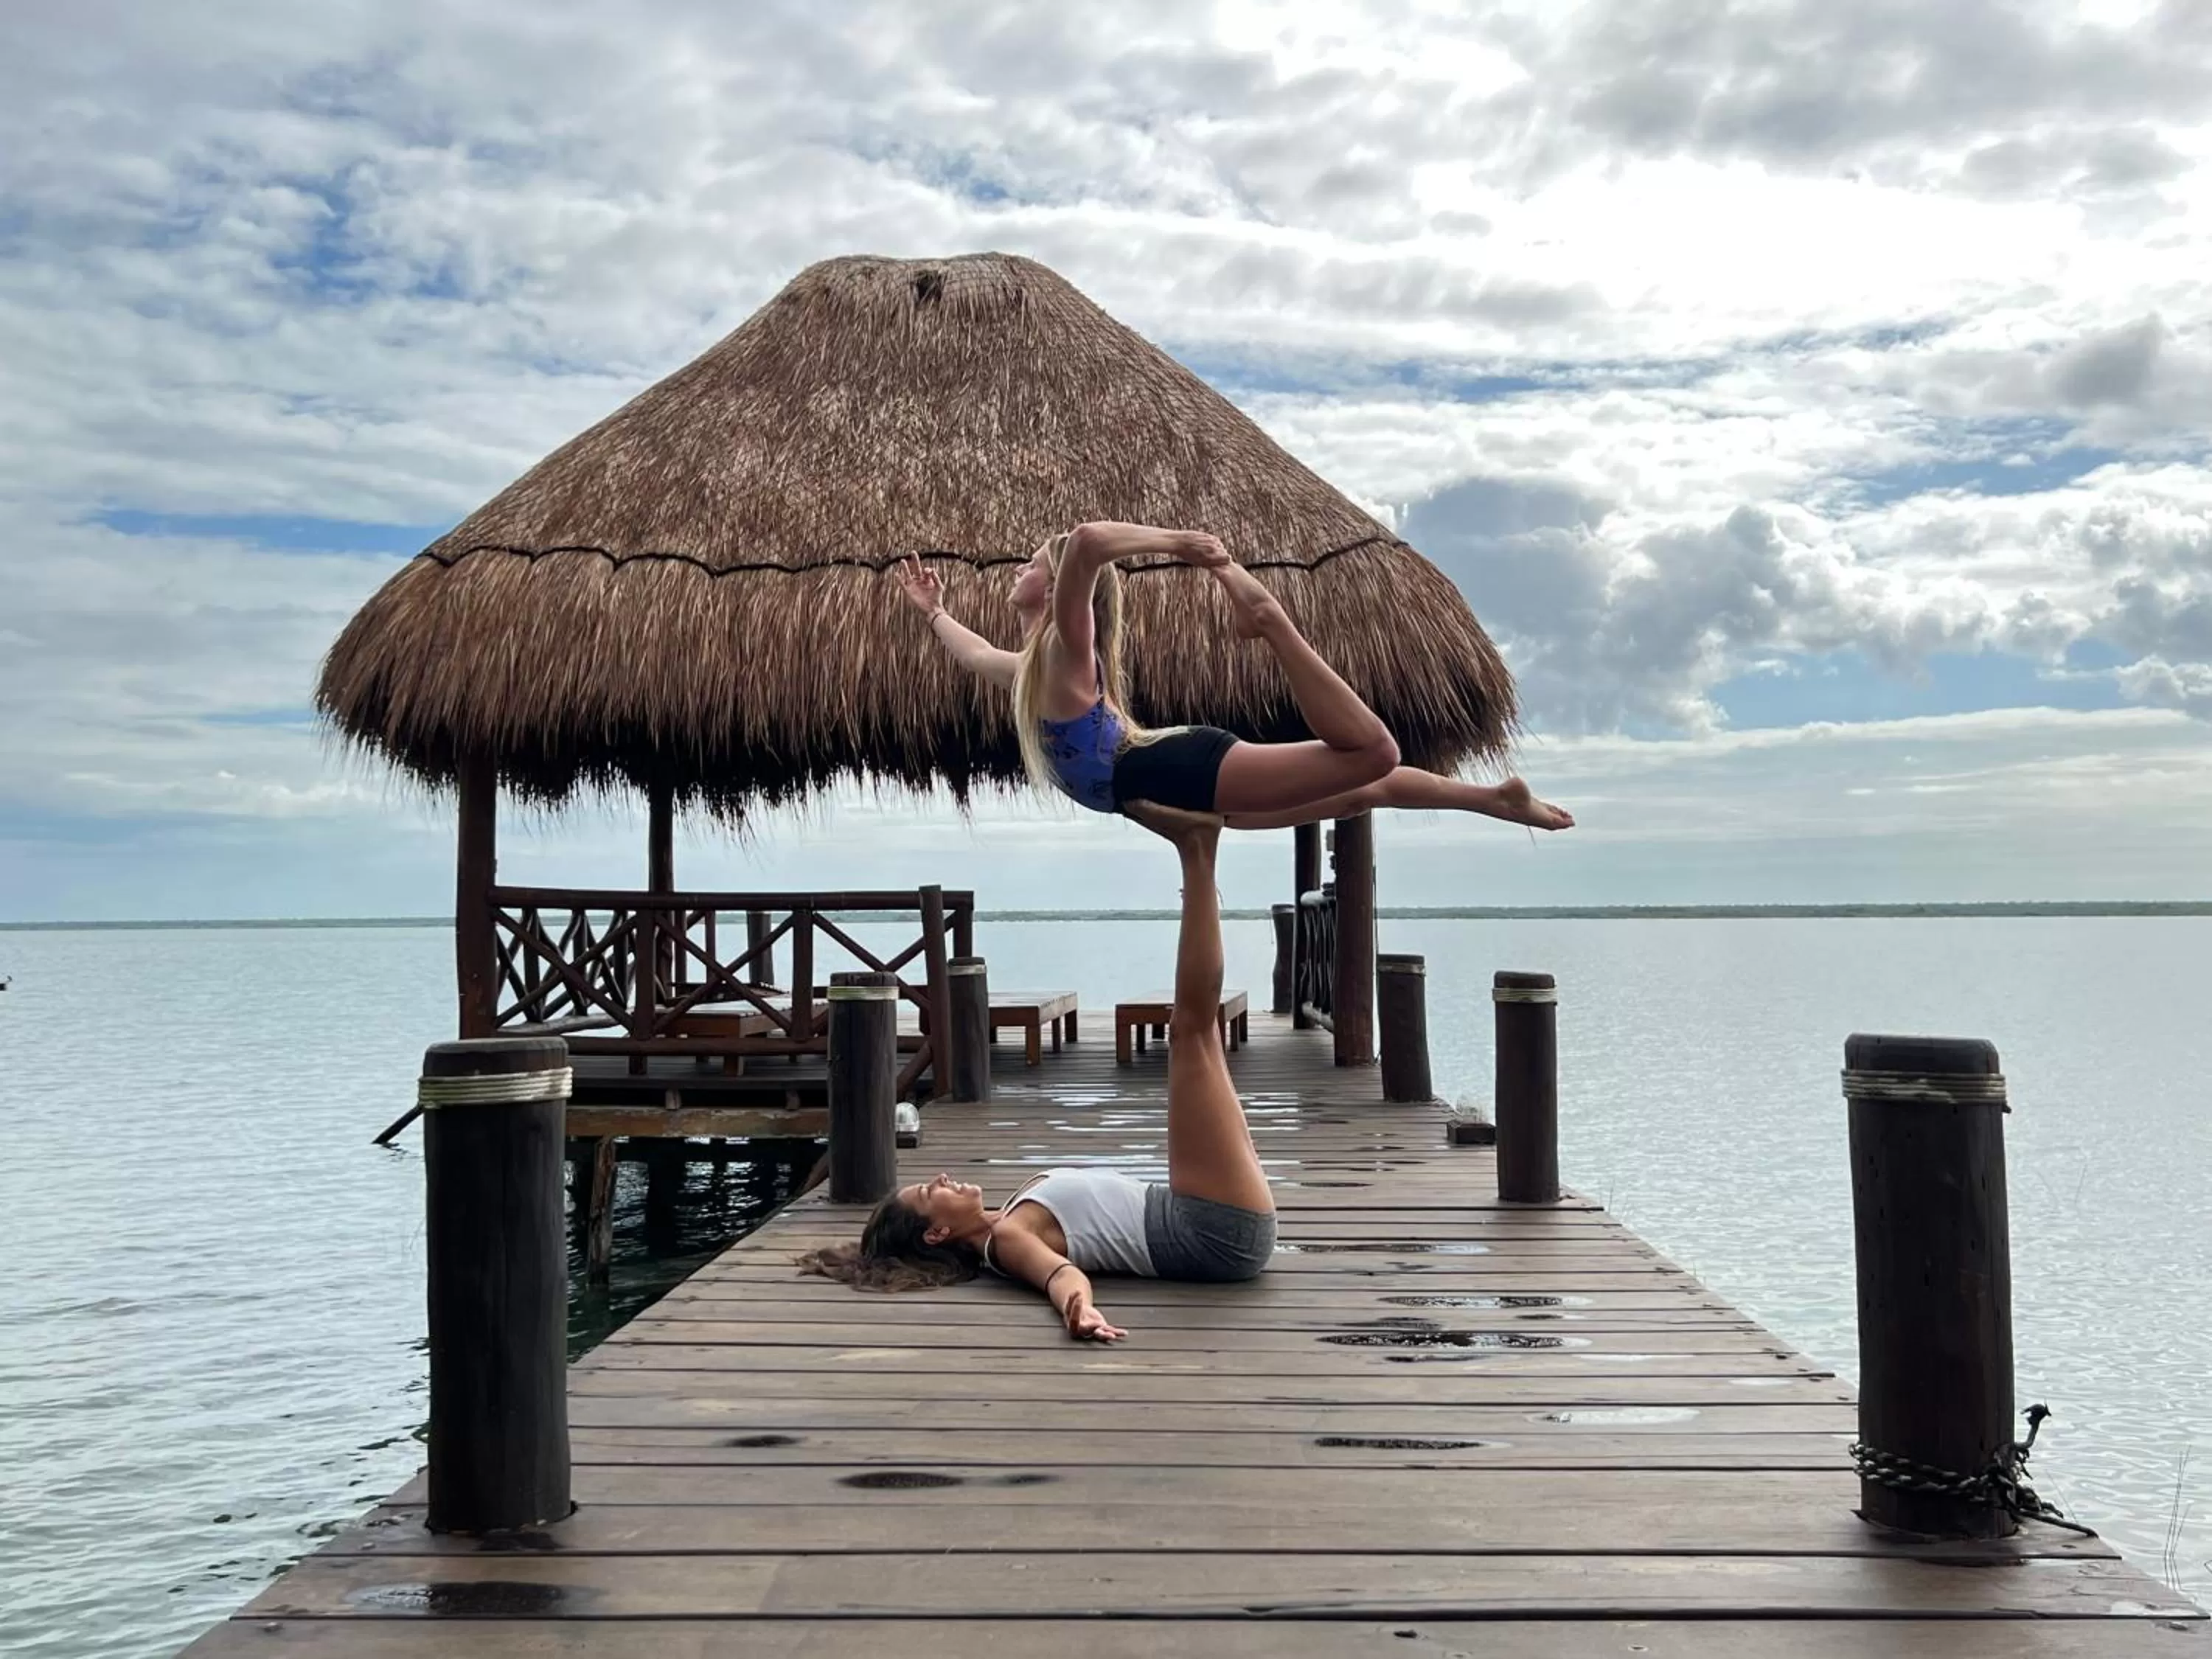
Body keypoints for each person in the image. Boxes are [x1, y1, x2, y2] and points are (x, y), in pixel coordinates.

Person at [798, 810, 1272, 1340]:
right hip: (1212, 1230)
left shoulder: (1010, 1219)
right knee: (1191, 1032)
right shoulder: (1008, 1240)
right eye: (929, 1193)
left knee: (1197, 1035)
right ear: (939, 1234)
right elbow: (1060, 1275)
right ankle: (1198, 852)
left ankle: (1200, 852)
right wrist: (1080, 1310)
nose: (938, 1178)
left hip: (1209, 1222)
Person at [894, 521, 1574, 832]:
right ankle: (1493, 799)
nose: (1018, 574)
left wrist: (1181, 546)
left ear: (1057, 587)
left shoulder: (1072, 646)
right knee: (1359, 794)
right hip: (1174, 786)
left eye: (1030, 567)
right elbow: (975, 655)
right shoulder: (1034, 672)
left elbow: (1091, 542)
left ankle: (1268, 619)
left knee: (1375, 753)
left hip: (1179, 768)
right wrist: (935, 614)